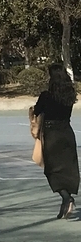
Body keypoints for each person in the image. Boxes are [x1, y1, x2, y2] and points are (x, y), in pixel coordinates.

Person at [33, 63, 80, 219]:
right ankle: (66, 200)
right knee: (68, 169)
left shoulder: (46, 95)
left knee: (51, 170)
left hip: (52, 134)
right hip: (67, 133)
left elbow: (37, 110)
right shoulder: (69, 95)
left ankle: (67, 198)